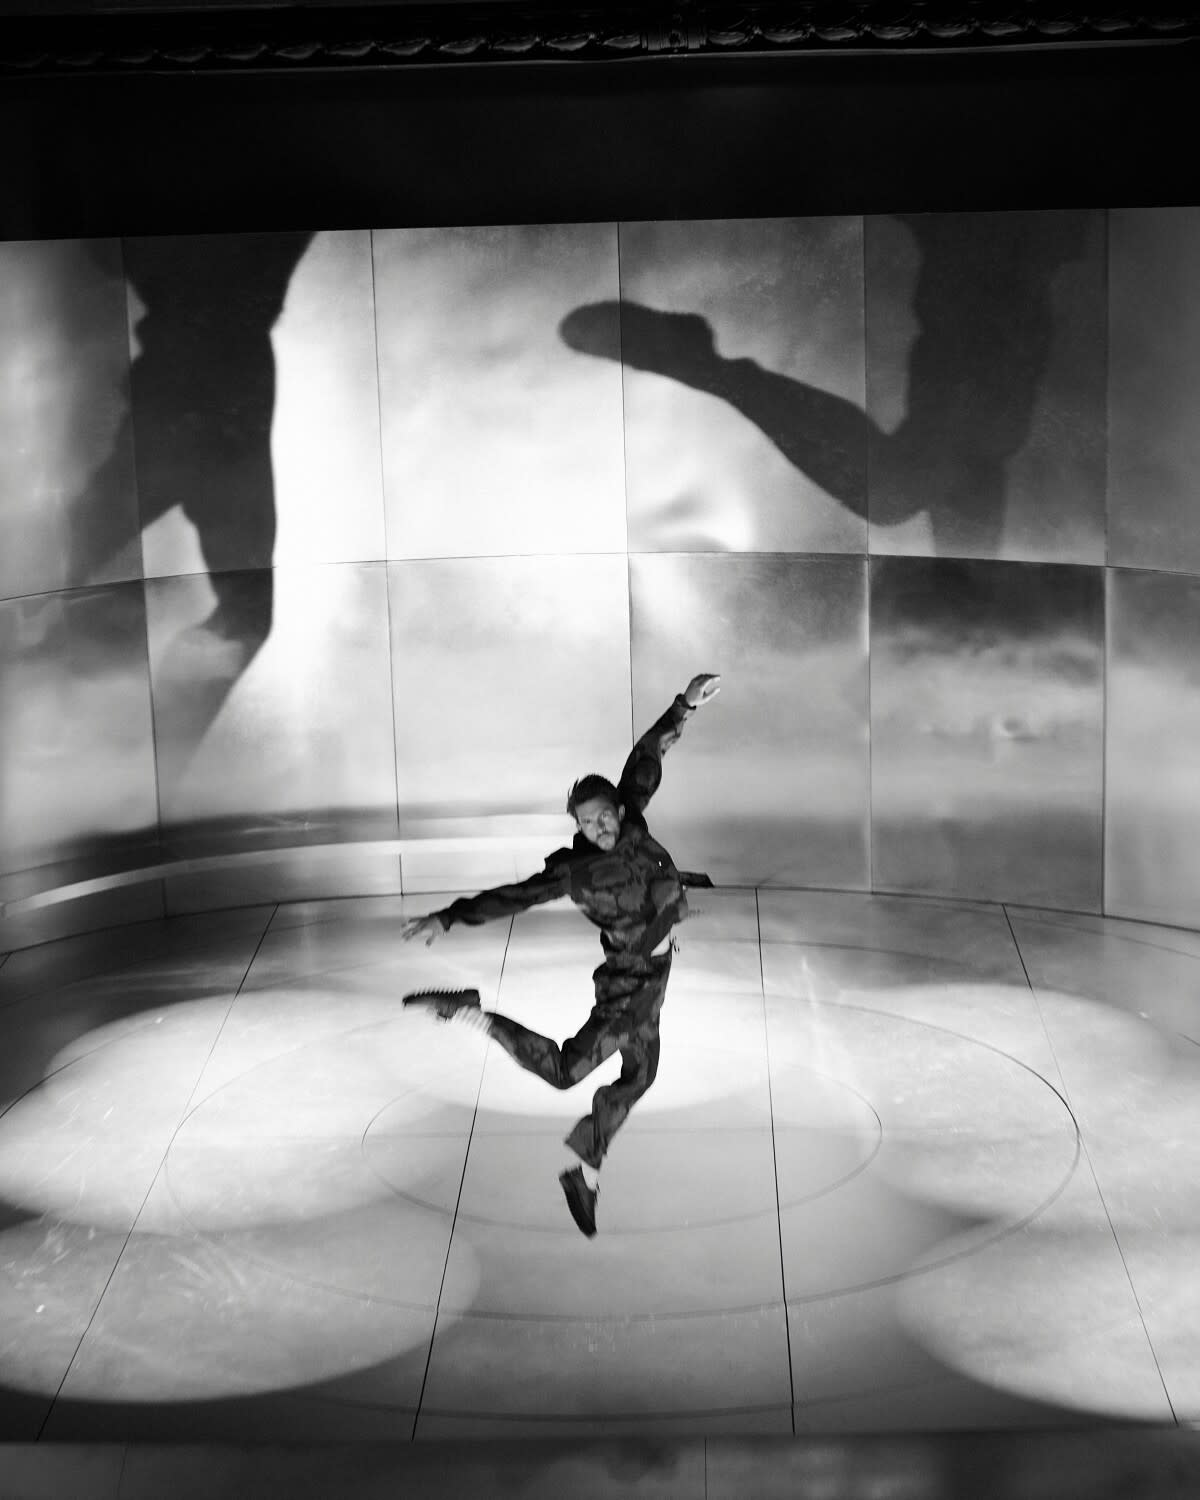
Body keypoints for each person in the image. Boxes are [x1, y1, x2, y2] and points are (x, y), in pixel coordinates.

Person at [399, 672, 722, 1236]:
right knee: (569, 1072)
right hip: (630, 985)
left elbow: (648, 755)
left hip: (653, 973)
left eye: (602, 816)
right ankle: (473, 1012)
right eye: (585, 822)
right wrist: (449, 916)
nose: (596, 828)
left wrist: (685, 704)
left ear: (619, 811)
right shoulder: (575, 873)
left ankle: (585, 1174)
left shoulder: (635, 824)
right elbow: (514, 897)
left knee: (641, 1075)